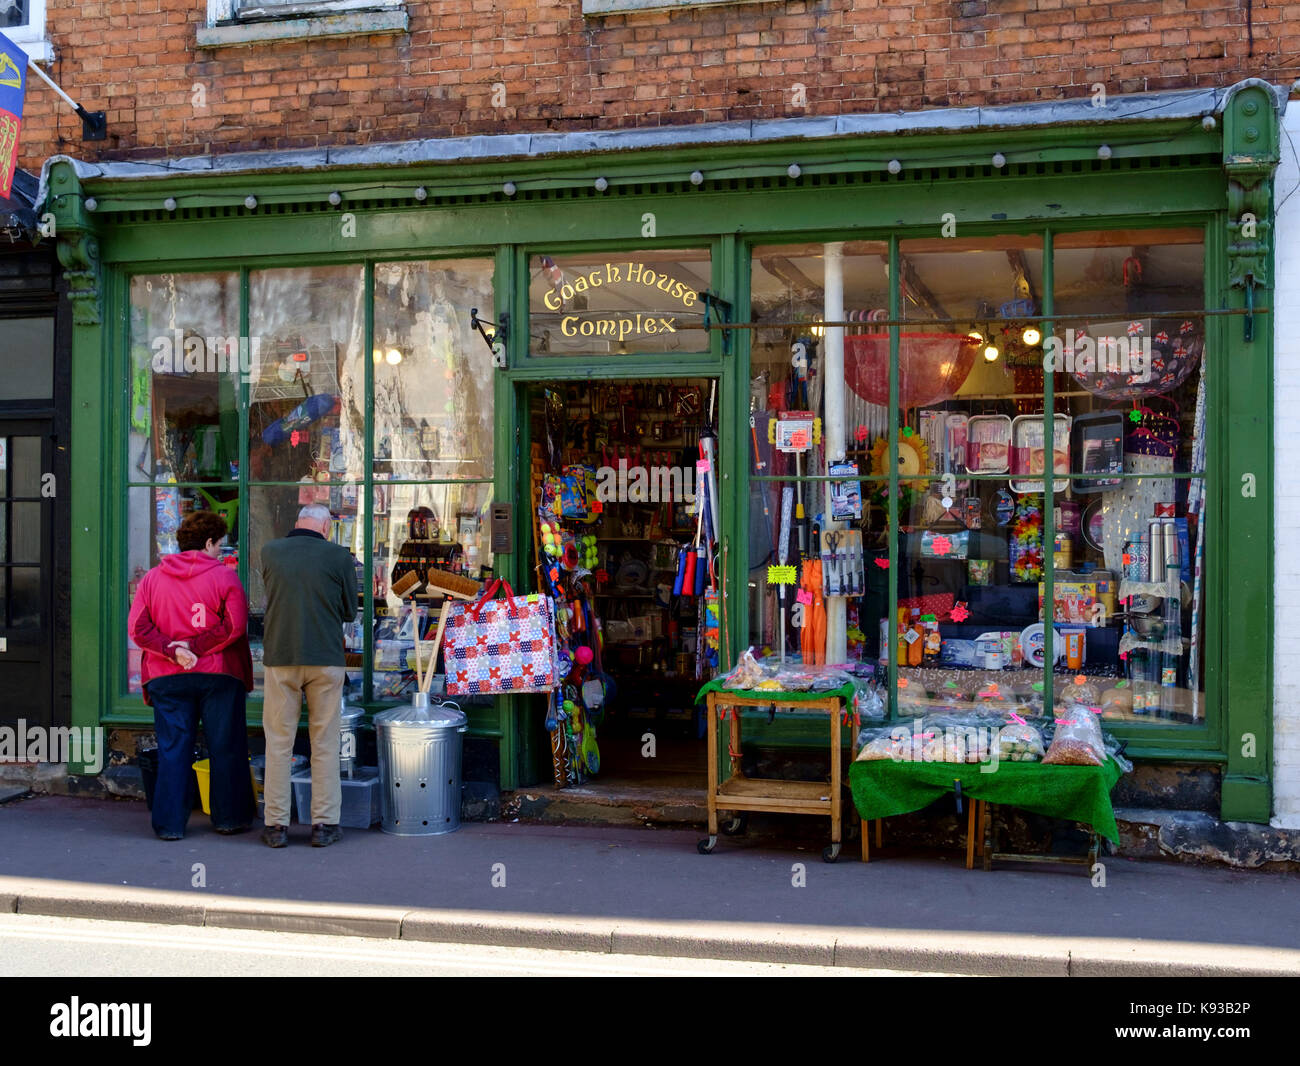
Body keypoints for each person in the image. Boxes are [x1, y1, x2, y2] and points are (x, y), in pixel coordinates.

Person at [127, 511, 255, 841]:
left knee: (173, 748)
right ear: (209, 542)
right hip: (218, 673)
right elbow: (235, 626)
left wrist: (175, 650)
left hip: (167, 675)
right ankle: (229, 819)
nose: (220, 552)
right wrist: (196, 647)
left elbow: (138, 629)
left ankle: (169, 824)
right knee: (225, 745)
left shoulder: (152, 579)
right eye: (219, 546)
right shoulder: (226, 578)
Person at [260, 503, 358, 848]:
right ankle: (324, 825)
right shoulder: (338, 557)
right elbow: (349, 610)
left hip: (280, 656)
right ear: (327, 528)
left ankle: (276, 826)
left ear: (297, 522)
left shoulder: (270, 552)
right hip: (324, 657)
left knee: (278, 743)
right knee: (326, 744)